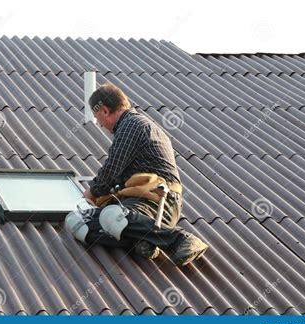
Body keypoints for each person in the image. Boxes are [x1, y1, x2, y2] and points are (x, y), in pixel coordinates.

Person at [65, 83, 208, 267]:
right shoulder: (130, 127)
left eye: (97, 117)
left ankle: (180, 239)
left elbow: (112, 168)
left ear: (105, 111)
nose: (99, 124)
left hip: (157, 200)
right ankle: (143, 241)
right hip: (134, 204)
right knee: (77, 223)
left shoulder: (132, 124)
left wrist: (92, 192)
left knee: (111, 215)